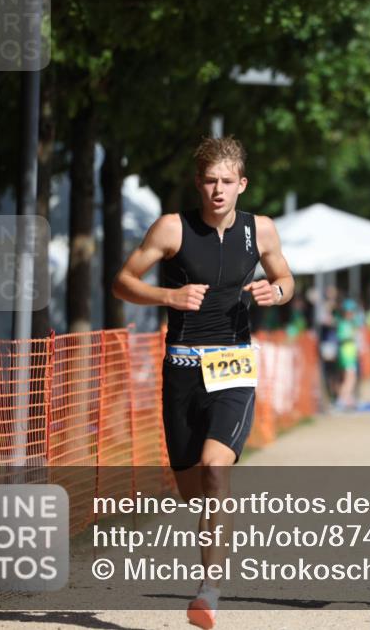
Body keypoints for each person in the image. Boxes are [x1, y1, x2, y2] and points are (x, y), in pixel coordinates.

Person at [112, 136, 294, 630]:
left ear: (242, 185)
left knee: (216, 471)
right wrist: (167, 297)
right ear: (199, 183)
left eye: (227, 182)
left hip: (233, 365)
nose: (218, 190)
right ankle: (212, 553)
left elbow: (286, 280)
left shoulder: (262, 231)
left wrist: (274, 292)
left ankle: (208, 591)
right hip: (182, 370)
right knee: (194, 492)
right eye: (210, 181)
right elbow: (124, 281)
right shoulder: (173, 228)